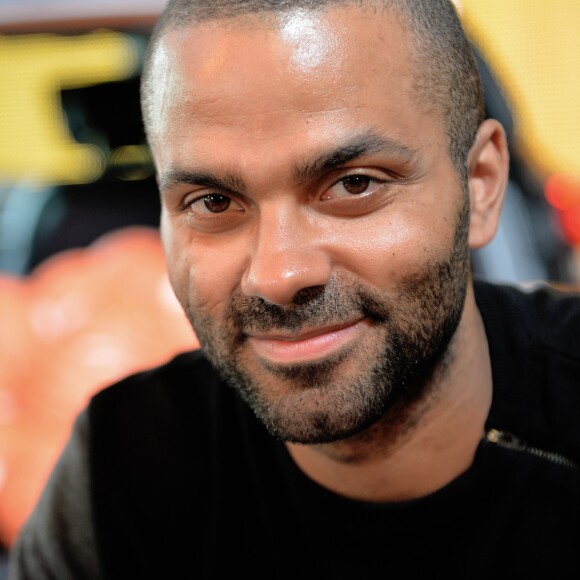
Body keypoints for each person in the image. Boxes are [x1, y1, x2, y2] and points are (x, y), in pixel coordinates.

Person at [8, 0, 580, 578]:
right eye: (213, 202)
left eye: (354, 184)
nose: (279, 276)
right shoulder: (127, 465)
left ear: (480, 186)